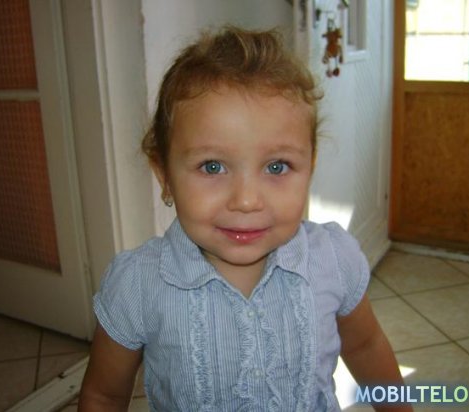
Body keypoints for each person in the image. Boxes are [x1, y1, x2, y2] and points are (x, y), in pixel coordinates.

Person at [79, 26, 411, 412]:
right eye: (212, 166)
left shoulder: (334, 260)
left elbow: (366, 346)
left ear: (310, 165)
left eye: (277, 166)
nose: (247, 201)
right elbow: (103, 395)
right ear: (164, 175)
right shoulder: (138, 285)